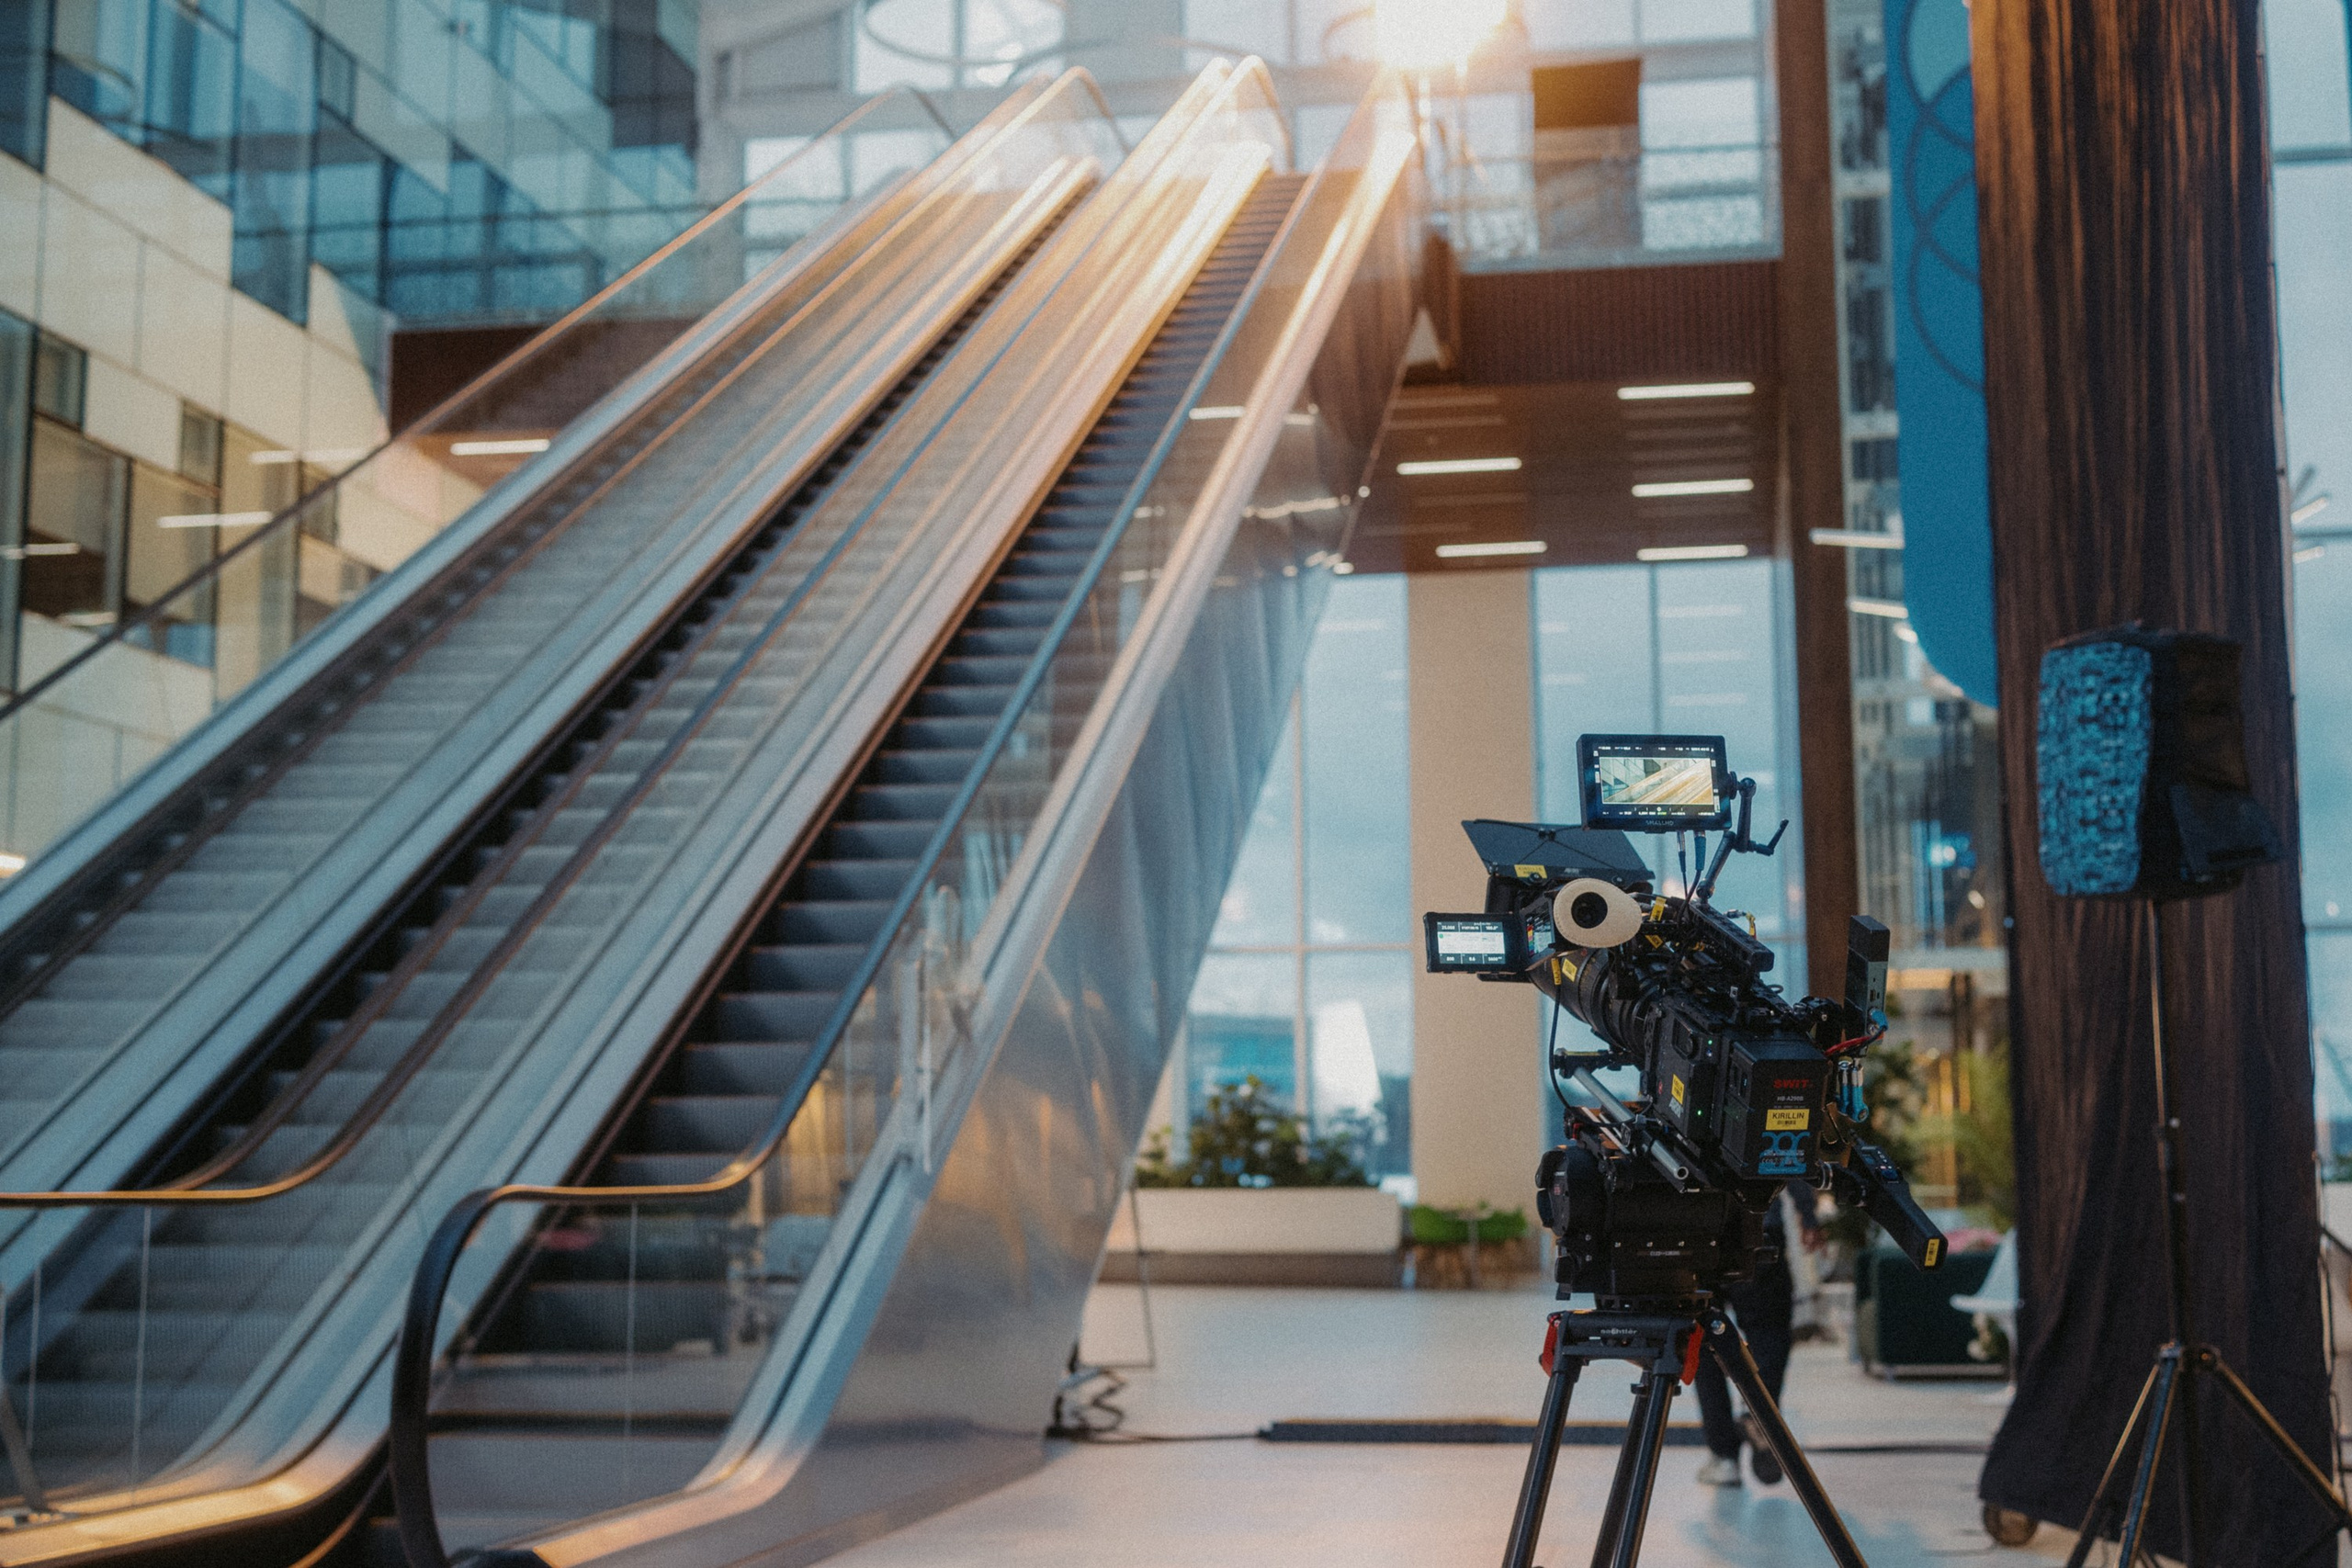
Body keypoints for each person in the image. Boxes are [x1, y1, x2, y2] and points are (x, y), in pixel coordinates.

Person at [1692, 1186, 1816, 1486]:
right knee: (1769, 1333)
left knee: (1703, 1343)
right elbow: (1791, 1149)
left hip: (1699, 1231)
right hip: (1759, 1229)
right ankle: (1758, 1414)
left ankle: (1723, 1457)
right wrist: (1808, 1215)